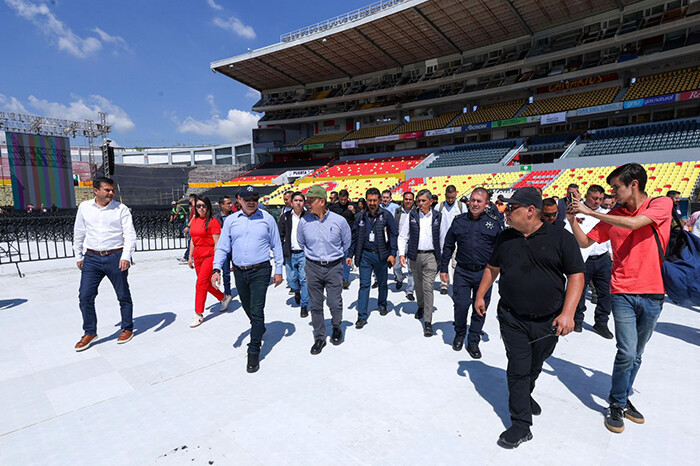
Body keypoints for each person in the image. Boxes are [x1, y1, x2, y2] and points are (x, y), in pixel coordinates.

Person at [474, 187, 585, 448]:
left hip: (548, 322)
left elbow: (577, 276)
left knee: (535, 365)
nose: (507, 213)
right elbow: (493, 268)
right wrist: (480, 295)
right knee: (518, 368)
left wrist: (568, 313)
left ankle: (525, 394)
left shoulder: (561, 238)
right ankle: (521, 424)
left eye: (512, 208)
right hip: (512, 317)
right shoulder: (505, 238)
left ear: (530, 211)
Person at [567, 163, 672, 434]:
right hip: (622, 291)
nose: (612, 193)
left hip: (653, 293)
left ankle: (623, 400)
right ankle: (616, 403)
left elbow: (637, 223)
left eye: (616, 187)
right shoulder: (613, 215)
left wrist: (592, 212)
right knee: (626, 351)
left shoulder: (660, 204)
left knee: (637, 354)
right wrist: (572, 220)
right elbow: (584, 242)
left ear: (633, 185)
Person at [212, 186, 284, 373]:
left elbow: (277, 245)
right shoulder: (231, 221)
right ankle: (258, 327)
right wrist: (216, 268)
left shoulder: (267, 218)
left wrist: (278, 270)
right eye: (247, 198)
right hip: (240, 272)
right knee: (246, 306)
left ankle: (253, 350)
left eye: (255, 198)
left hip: (261, 270)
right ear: (239, 200)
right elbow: (222, 246)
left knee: (257, 308)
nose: (251, 201)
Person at [73, 177, 137, 351]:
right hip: (91, 258)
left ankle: (127, 328)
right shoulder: (84, 207)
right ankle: (90, 332)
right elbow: (79, 232)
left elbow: (129, 234)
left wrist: (125, 256)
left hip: (115, 257)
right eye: (107, 190)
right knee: (85, 296)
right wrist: (79, 256)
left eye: (112, 190)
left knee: (123, 294)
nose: (110, 193)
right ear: (96, 191)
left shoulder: (121, 209)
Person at [441, 188, 502, 357]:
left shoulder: (493, 222)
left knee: (480, 308)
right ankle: (460, 333)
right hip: (462, 272)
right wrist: (444, 268)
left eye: (479, 201)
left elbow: (501, 248)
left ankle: (474, 340)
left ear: (486, 204)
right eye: (472, 200)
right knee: (460, 305)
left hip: (485, 273)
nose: (475, 204)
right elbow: (448, 245)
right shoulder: (458, 221)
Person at [298, 186, 352, 355]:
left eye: (310, 201)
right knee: (315, 304)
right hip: (313, 266)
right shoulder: (304, 222)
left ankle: (336, 326)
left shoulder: (339, 221)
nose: (307, 204)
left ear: (322, 202)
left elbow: (347, 242)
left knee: (334, 302)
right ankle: (320, 337)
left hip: (333, 266)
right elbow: (301, 243)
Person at [564, 185, 613, 338]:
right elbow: (568, 233)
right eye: (594, 198)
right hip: (582, 258)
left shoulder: (606, 214)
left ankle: (602, 322)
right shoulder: (576, 211)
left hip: (602, 258)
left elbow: (611, 236)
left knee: (605, 292)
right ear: (586, 196)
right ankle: (577, 319)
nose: (597, 201)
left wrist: (611, 253)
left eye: (600, 198)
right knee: (579, 290)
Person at [347, 187, 398, 329]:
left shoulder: (386, 215)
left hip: (382, 255)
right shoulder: (360, 216)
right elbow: (354, 237)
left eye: (375, 200)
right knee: (364, 285)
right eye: (370, 200)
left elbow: (394, 234)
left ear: (380, 200)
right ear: (366, 200)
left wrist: (393, 253)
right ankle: (362, 316)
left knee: (382, 283)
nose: (372, 203)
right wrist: (350, 254)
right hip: (365, 255)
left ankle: (382, 304)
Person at [398, 189, 442, 336]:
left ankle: (428, 322)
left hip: (431, 256)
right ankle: (421, 306)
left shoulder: (437, 217)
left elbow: (443, 238)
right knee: (418, 285)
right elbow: (403, 236)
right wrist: (402, 254)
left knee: (427, 286)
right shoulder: (412, 215)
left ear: (431, 201)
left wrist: (442, 258)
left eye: (423, 201)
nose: (420, 203)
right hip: (415, 256)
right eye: (419, 201)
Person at [188, 196, 228, 327]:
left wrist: (217, 265)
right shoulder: (194, 220)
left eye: (203, 206)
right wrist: (190, 257)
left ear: (208, 207)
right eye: (198, 206)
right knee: (205, 283)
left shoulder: (213, 222)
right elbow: (193, 240)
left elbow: (217, 244)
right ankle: (223, 297)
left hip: (209, 255)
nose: (201, 208)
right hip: (198, 255)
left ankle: (198, 313)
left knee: (200, 284)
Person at [278, 192, 309, 317]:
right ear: (291, 202)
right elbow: (280, 234)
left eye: (300, 200)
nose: (298, 202)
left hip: (304, 254)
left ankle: (304, 305)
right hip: (290, 253)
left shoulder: (308, 216)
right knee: (291, 279)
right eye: (295, 200)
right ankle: (296, 291)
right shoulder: (285, 217)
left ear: (304, 202)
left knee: (304, 279)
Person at [438, 185, 467, 295]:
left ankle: (457, 284)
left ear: (456, 195)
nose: (450, 200)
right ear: (445, 195)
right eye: (449, 197)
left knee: (456, 264)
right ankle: (444, 284)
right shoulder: (439, 207)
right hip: (443, 240)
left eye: (453, 197)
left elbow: (465, 224)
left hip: (457, 241)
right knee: (443, 263)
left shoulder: (461, 206)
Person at [329, 189, 357, 289]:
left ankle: (345, 278)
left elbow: (359, 216)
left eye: (345, 200)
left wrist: (354, 211)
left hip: (348, 236)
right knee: (336, 258)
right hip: (335, 236)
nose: (343, 201)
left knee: (346, 257)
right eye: (341, 199)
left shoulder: (353, 206)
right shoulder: (333, 207)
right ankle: (335, 277)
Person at [393, 192, 415, 301]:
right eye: (406, 199)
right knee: (396, 266)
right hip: (400, 242)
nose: (408, 201)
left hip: (412, 243)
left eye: (410, 199)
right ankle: (400, 277)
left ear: (413, 201)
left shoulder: (416, 212)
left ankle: (409, 291)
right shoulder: (398, 212)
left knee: (411, 269)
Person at [215, 196, 235, 308]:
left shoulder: (235, 216)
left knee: (239, 270)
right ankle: (227, 292)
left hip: (235, 247)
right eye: (227, 203)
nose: (230, 205)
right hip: (224, 248)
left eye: (230, 203)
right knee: (226, 272)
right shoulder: (216, 218)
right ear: (221, 205)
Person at [180, 194, 198, 264]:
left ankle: (187, 257)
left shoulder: (194, 207)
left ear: (192, 199)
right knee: (191, 242)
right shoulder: (194, 207)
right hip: (193, 226)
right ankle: (189, 256)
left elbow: (194, 217)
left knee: (191, 242)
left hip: (193, 227)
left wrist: (188, 226)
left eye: (189, 198)